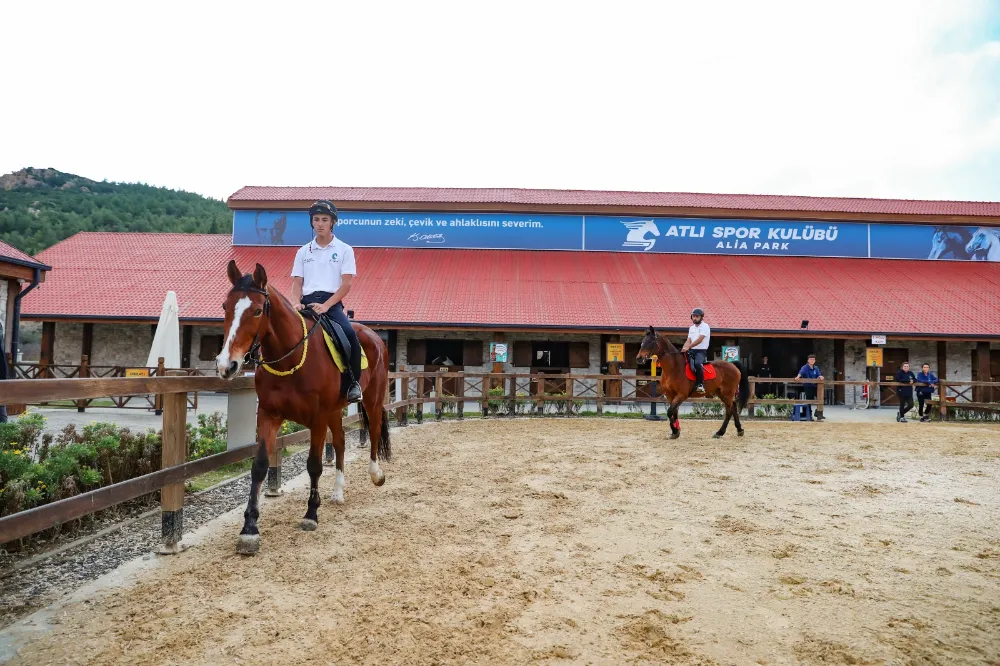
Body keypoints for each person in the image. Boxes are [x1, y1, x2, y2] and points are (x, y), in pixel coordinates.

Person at [290, 200, 362, 402]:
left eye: (324, 219)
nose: (320, 223)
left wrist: (327, 305)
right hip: (306, 303)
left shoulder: (345, 249)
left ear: (333, 223)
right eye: (316, 220)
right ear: (311, 223)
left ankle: (353, 383)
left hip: (330, 304)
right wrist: (296, 301)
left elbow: (346, 284)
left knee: (350, 336)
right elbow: (297, 282)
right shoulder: (303, 251)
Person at [681, 307, 710, 394]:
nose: (695, 318)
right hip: (691, 350)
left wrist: (689, 347)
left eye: (697, 316)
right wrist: (683, 348)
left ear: (701, 317)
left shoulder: (705, 326)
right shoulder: (691, 328)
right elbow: (688, 340)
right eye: (693, 316)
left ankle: (701, 384)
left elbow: (700, 339)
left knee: (697, 364)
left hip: (701, 351)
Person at [795, 354, 824, 421]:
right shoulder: (804, 367)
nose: (812, 360)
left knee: (821, 398)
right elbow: (801, 373)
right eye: (810, 359)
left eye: (813, 359)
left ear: (815, 361)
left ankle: (818, 414)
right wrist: (798, 376)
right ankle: (809, 415)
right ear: (808, 360)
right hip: (808, 386)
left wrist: (821, 377)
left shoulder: (816, 368)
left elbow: (819, 375)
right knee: (809, 400)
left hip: (815, 386)